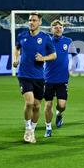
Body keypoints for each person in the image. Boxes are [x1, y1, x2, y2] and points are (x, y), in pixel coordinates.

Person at [13, 12, 57, 144]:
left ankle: (32, 130)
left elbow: (53, 55)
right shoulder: (22, 35)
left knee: (37, 106)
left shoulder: (45, 38)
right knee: (29, 102)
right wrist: (16, 59)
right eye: (30, 20)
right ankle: (27, 128)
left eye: (34, 20)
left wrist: (43, 58)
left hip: (39, 77)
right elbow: (17, 48)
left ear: (40, 22)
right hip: (24, 75)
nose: (31, 22)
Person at [43, 19, 77, 138]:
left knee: (62, 105)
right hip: (48, 78)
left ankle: (59, 114)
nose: (58, 29)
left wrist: (73, 67)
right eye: (55, 27)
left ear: (63, 29)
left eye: (60, 27)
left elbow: (75, 56)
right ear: (51, 29)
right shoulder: (47, 41)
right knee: (48, 105)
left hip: (63, 79)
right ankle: (48, 127)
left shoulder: (68, 41)